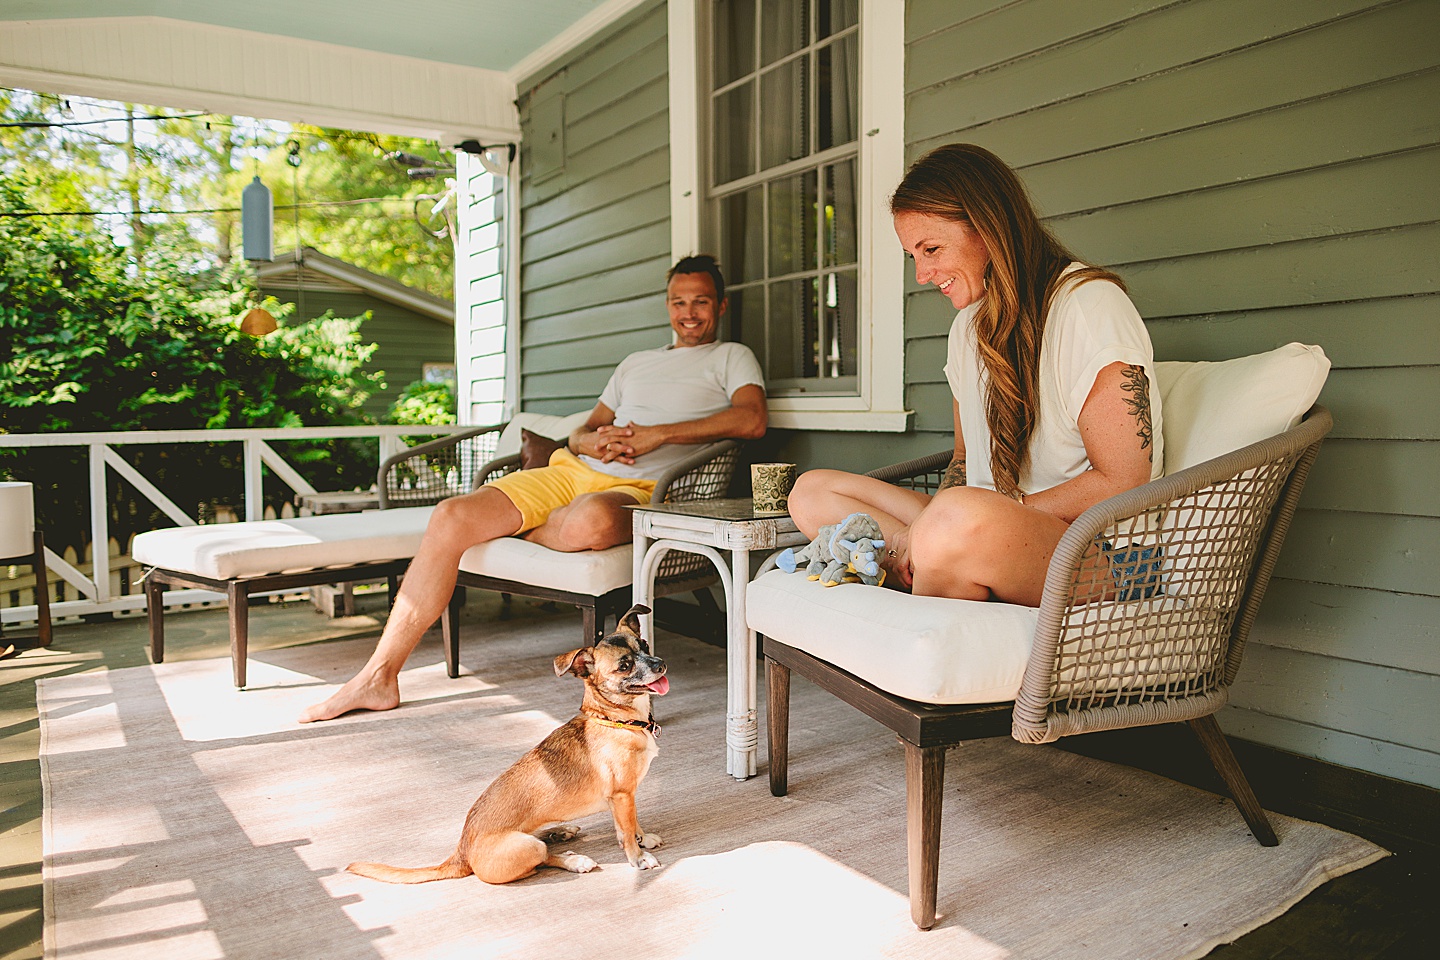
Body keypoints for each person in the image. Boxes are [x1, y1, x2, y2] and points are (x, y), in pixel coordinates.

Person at [300, 255, 766, 722]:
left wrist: (657, 434)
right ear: (667, 305)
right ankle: (378, 676)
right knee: (451, 516)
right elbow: (584, 430)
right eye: (678, 301)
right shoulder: (636, 363)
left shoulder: (732, 356)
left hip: (643, 485)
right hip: (570, 471)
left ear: (720, 306)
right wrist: (590, 441)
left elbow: (752, 419)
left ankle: (512, 529)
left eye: (700, 301)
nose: (688, 312)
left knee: (590, 520)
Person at [788, 144, 1163, 607]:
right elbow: (965, 462)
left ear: (989, 227)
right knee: (812, 493)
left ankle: (922, 558)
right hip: (981, 522)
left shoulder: (1088, 306)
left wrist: (952, 522)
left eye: (932, 249)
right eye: (913, 256)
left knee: (953, 521)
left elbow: (1123, 480)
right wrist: (929, 528)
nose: (923, 274)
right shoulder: (967, 327)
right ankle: (922, 556)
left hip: (1095, 548)